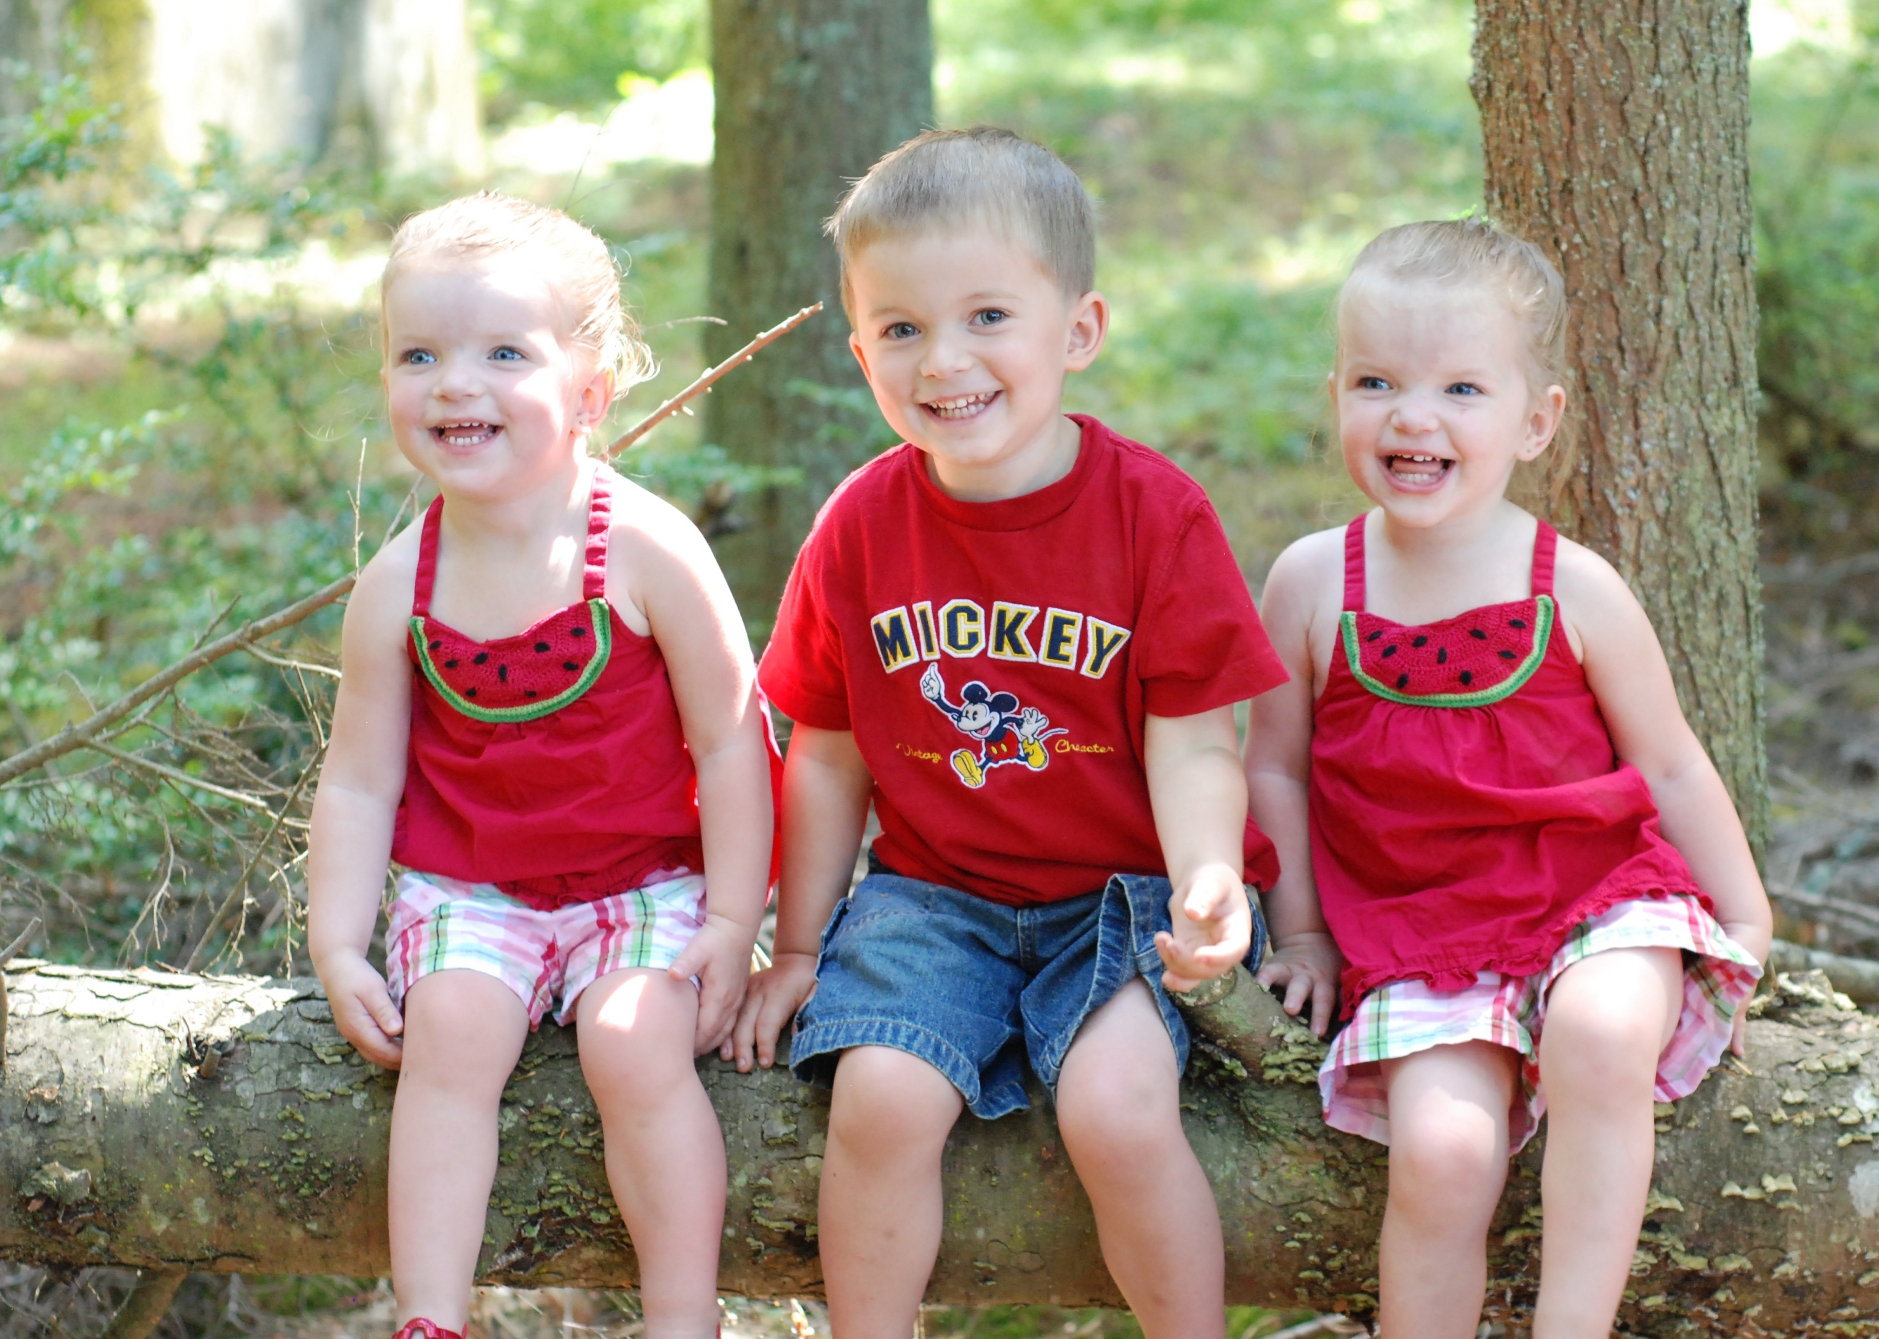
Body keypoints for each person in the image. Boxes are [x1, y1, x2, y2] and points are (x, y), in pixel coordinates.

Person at [727, 127, 1302, 1339]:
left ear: (1076, 330)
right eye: (900, 328)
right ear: (858, 347)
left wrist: (1207, 874)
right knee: (879, 1097)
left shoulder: (1153, 516)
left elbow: (1198, 738)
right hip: (934, 895)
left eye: (987, 315)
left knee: (1118, 1108)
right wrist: (791, 948)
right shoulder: (858, 526)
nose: (944, 361)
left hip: (1127, 894)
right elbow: (822, 754)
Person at [1244, 218, 1771, 1339]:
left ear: (1536, 421)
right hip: (1417, 932)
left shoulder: (1574, 589)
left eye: (1461, 389)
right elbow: (1273, 773)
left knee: (1599, 1036)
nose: (1412, 417)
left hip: (1594, 900)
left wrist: (1740, 908)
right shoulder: (1308, 584)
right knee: (1441, 1152)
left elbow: (1668, 759)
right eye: (1376, 381)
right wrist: (1299, 936)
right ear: (1334, 391)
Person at [307, 193, 774, 1339]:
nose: (454, 383)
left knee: (630, 1042)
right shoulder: (398, 585)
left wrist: (730, 920)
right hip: (478, 889)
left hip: (645, 884)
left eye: (502, 353)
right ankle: (428, 1315)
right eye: (419, 354)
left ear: (590, 391)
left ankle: (681, 1315)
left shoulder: (647, 546)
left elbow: (733, 738)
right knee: (452, 1033)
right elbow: (360, 778)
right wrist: (336, 941)